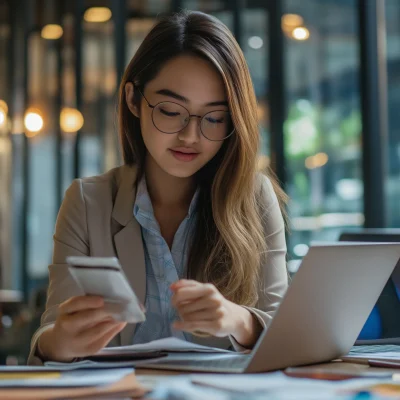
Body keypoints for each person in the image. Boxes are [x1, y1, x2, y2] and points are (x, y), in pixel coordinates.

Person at [28, 10, 288, 365]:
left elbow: (289, 336)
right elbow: (52, 332)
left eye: (213, 117)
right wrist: (57, 343)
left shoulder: (255, 198)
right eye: (170, 110)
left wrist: (238, 320)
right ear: (134, 100)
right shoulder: (88, 202)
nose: (190, 135)